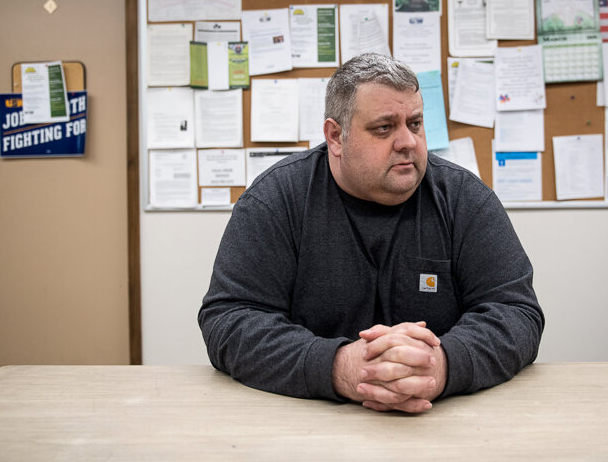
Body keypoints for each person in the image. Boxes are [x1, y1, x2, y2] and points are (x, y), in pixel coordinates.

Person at [198, 53, 543, 413]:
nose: (407, 141)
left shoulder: (464, 200)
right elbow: (229, 318)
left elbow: (517, 312)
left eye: (415, 123)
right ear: (335, 137)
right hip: (305, 425)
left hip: (442, 425)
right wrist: (340, 366)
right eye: (384, 127)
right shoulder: (276, 200)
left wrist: (440, 367)